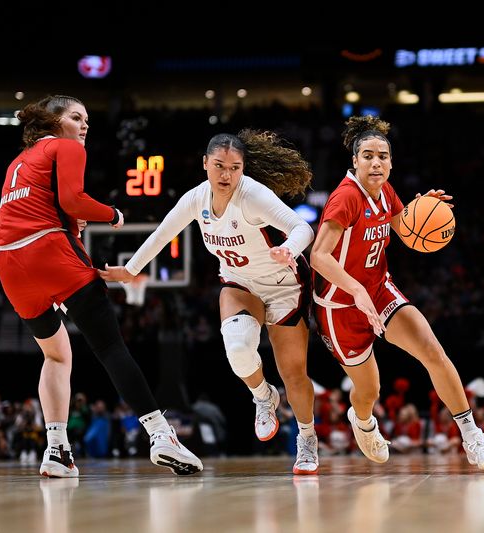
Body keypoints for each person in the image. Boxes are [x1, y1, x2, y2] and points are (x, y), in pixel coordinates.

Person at [0, 95, 202, 477]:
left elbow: (24, 214)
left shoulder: (18, 163)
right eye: (75, 117)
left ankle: (57, 451)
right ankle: (160, 435)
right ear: (54, 122)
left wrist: (71, 227)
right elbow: (74, 200)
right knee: (109, 346)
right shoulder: (66, 146)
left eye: (87, 118)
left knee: (56, 355)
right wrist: (114, 215)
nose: (84, 125)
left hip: (8, 263)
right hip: (47, 252)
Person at [99, 130, 320, 474]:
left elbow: (302, 227)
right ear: (205, 164)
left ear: (243, 169)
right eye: (219, 165)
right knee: (237, 346)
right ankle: (263, 396)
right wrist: (130, 270)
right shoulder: (196, 199)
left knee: (293, 374)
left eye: (234, 167)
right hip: (240, 282)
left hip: (283, 285)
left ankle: (306, 438)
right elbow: (162, 234)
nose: (226, 175)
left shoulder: (253, 196)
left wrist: (288, 249)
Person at [310, 116, 484, 470]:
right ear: (354, 161)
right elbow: (318, 257)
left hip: (379, 290)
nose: (376, 162)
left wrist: (422, 212)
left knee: (432, 351)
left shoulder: (385, 192)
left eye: (383, 156)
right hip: (339, 306)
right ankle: (364, 421)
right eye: (368, 155)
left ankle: (473, 438)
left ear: (391, 161)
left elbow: (404, 229)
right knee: (369, 390)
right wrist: (354, 290)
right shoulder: (346, 198)